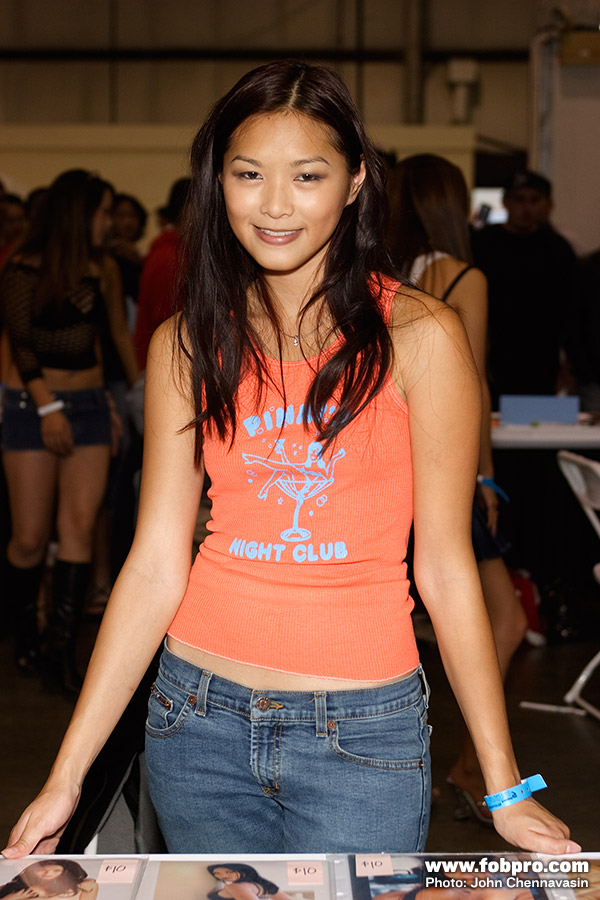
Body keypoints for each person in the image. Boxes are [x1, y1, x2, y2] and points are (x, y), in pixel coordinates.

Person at [2, 61, 578, 856]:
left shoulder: (421, 336)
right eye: (248, 174)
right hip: (194, 721)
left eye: (308, 175)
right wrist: (66, 775)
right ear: (218, 182)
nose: (275, 204)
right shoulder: (186, 343)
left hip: (362, 731)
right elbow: (156, 563)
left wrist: (504, 786)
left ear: (355, 181)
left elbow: (446, 570)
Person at [386, 154, 528, 824]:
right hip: (446, 469)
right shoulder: (464, 278)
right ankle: (475, 765)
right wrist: (483, 474)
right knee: (506, 620)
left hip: (394, 468)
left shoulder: (380, 279)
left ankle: (471, 761)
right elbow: (471, 382)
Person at [0, 168, 138, 685]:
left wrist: (124, 398)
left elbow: (111, 337)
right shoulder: (24, 266)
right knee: (30, 538)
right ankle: (26, 636)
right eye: (102, 212)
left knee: (79, 526)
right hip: (30, 405)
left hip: (89, 406)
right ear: (79, 214)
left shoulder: (102, 269)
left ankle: (61, 651)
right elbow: (20, 344)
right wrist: (46, 409)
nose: (109, 222)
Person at [471, 170, 576, 405]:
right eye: (519, 199)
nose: (526, 208)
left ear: (546, 204)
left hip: (542, 358)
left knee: (540, 423)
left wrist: (569, 363)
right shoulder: (481, 243)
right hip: (492, 356)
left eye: (534, 200)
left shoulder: (557, 248)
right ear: (506, 201)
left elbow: (571, 309)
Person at [0, 859, 97, 899]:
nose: (48, 873)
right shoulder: (15, 889)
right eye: (41, 870)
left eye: (56, 870)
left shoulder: (83, 887)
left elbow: (91, 889)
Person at [207, 865, 293, 900]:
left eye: (229, 872)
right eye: (216, 873)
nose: (222, 876)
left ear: (242, 872)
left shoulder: (236, 887)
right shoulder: (259, 885)